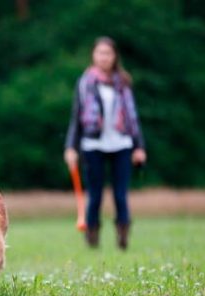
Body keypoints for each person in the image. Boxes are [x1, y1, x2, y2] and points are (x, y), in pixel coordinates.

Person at [64, 36, 147, 250]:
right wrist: (70, 147)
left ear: (114, 56)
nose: (104, 57)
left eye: (108, 53)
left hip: (121, 142)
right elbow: (77, 117)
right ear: (93, 55)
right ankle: (92, 236)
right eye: (100, 53)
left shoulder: (123, 82)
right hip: (93, 144)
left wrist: (139, 146)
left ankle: (123, 235)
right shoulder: (85, 82)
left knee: (120, 194)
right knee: (96, 195)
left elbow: (132, 116)